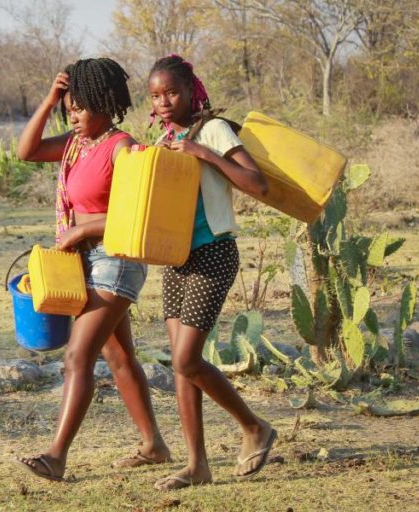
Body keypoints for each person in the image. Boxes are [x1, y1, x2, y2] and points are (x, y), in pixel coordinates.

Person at [14, 58, 171, 482]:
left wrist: (82, 227)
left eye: (81, 107)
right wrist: (50, 98)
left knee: (76, 357)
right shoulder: (74, 143)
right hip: (85, 260)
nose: (74, 115)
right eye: (70, 108)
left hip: (115, 261)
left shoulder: (122, 147)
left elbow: (136, 212)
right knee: (118, 356)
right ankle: (153, 445)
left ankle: (56, 456)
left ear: (105, 104)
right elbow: (26, 151)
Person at [147, 54, 276, 490]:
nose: (164, 102)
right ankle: (197, 465)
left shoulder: (214, 129)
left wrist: (202, 151)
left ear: (190, 90)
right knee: (182, 365)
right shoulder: (165, 136)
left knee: (186, 358)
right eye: (156, 95)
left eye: (172, 93)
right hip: (176, 257)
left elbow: (257, 184)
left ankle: (254, 426)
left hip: (214, 252)